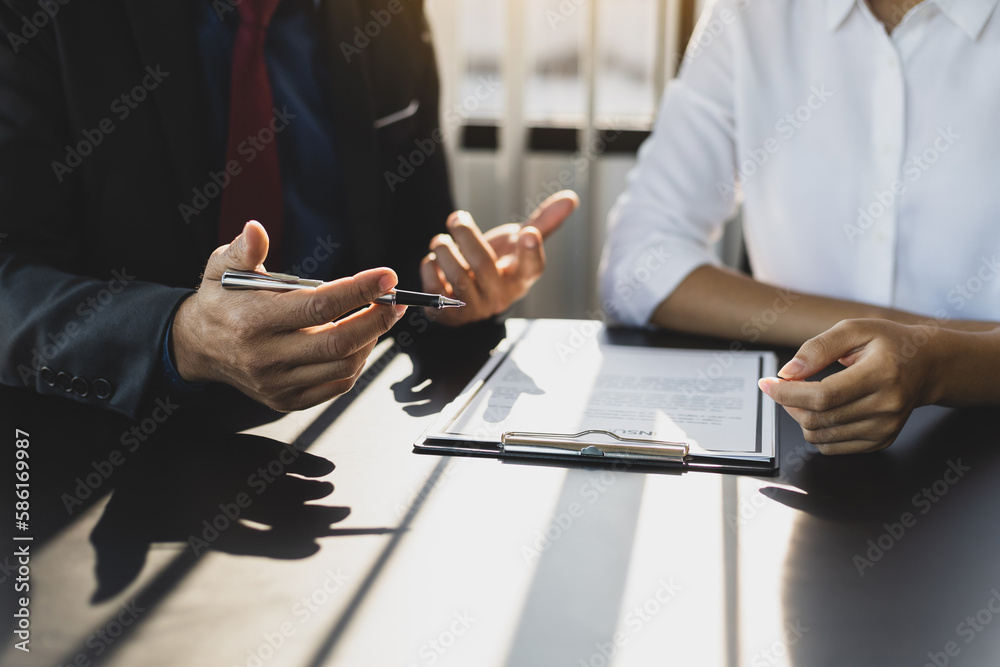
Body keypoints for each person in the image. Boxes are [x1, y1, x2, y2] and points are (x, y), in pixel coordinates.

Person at [0, 0, 578, 418]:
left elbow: (412, 244)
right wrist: (177, 337)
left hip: (355, 424)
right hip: (109, 447)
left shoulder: (389, 16)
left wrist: (456, 287)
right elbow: (12, 279)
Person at [600, 0, 1000, 455]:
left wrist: (938, 361)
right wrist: (925, 341)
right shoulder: (751, 13)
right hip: (802, 435)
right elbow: (636, 264)